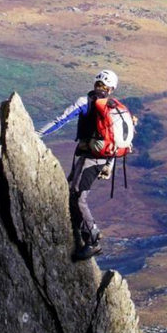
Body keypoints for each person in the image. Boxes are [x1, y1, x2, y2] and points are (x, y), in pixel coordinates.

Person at [36, 69, 124, 261]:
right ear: (112, 88)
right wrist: (109, 165)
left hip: (90, 157)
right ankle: (83, 230)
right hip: (103, 159)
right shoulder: (114, 107)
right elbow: (117, 140)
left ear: (96, 83)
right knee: (73, 192)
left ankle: (92, 239)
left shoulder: (85, 102)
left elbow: (61, 120)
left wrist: (35, 135)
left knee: (77, 195)